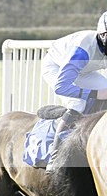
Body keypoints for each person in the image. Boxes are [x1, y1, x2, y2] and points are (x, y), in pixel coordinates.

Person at [41, 11, 107, 170]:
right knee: (78, 102)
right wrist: (94, 94)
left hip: (83, 71)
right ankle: (55, 155)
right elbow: (61, 87)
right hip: (57, 68)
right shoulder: (82, 50)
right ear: (103, 35)